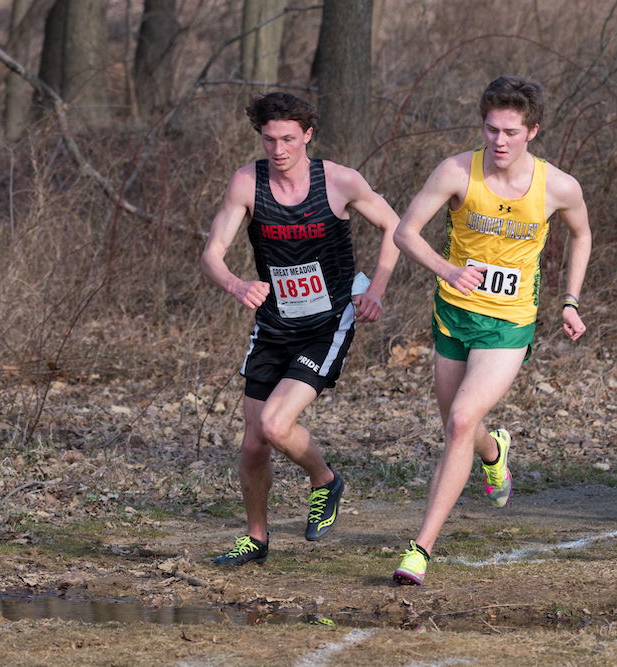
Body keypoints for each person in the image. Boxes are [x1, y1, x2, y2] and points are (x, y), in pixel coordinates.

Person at [390, 76, 591, 584]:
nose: (499, 141)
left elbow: (582, 234)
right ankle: (493, 452)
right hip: (455, 314)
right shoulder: (456, 171)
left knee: (459, 419)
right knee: (460, 426)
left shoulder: (558, 186)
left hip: (510, 321)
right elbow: (405, 232)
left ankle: (420, 548)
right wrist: (447, 270)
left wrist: (570, 300)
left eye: (510, 132)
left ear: (533, 131)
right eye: (490, 129)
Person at [200, 92, 400, 565]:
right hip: (273, 324)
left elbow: (396, 227)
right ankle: (256, 539)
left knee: (273, 424)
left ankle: (325, 479)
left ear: (308, 135)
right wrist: (235, 284)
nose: (279, 149)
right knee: (252, 443)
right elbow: (212, 254)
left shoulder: (340, 181)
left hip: (327, 323)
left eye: (288, 138)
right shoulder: (247, 183)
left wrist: (376, 290)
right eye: (269, 139)